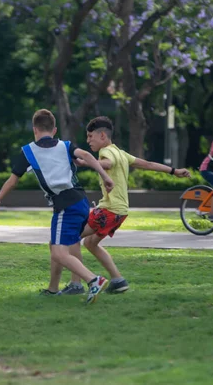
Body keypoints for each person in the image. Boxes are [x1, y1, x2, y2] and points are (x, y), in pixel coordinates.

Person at [0, 109, 115, 305]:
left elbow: (12, 181)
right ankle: (53, 289)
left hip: (66, 205)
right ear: (54, 129)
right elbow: (88, 156)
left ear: (35, 129)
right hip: (81, 201)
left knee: (58, 252)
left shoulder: (28, 151)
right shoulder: (65, 146)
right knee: (55, 244)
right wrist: (106, 176)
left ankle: (93, 280)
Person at [56, 116, 191, 296]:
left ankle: (76, 284)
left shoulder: (107, 153)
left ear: (102, 135)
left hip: (109, 210)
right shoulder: (121, 152)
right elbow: (148, 164)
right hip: (121, 212)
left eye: (90, 136)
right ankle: (118, 280)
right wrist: (174, 171)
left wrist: (85, 162)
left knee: (71, 236)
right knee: (90, 242)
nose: (88, 141)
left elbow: (107, 163)